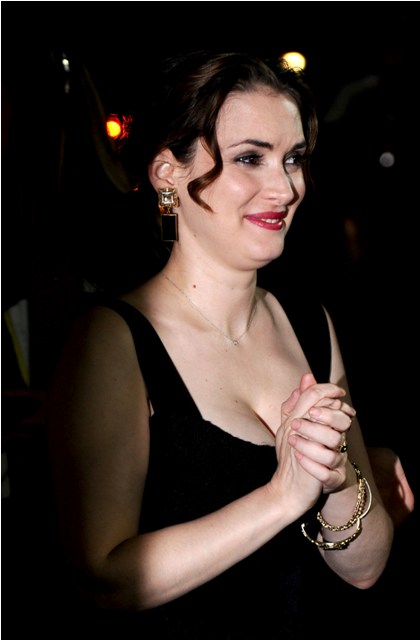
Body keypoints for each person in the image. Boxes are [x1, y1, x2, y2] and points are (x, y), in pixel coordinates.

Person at [47, 51, 399, 638]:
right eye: (250, 158)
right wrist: (282, 497)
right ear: (168, 174)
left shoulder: (310, 325)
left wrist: (339, 481)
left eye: (293, 159)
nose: (285, 187)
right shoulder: (111, 341)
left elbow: (366, 569)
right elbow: (103, 578)